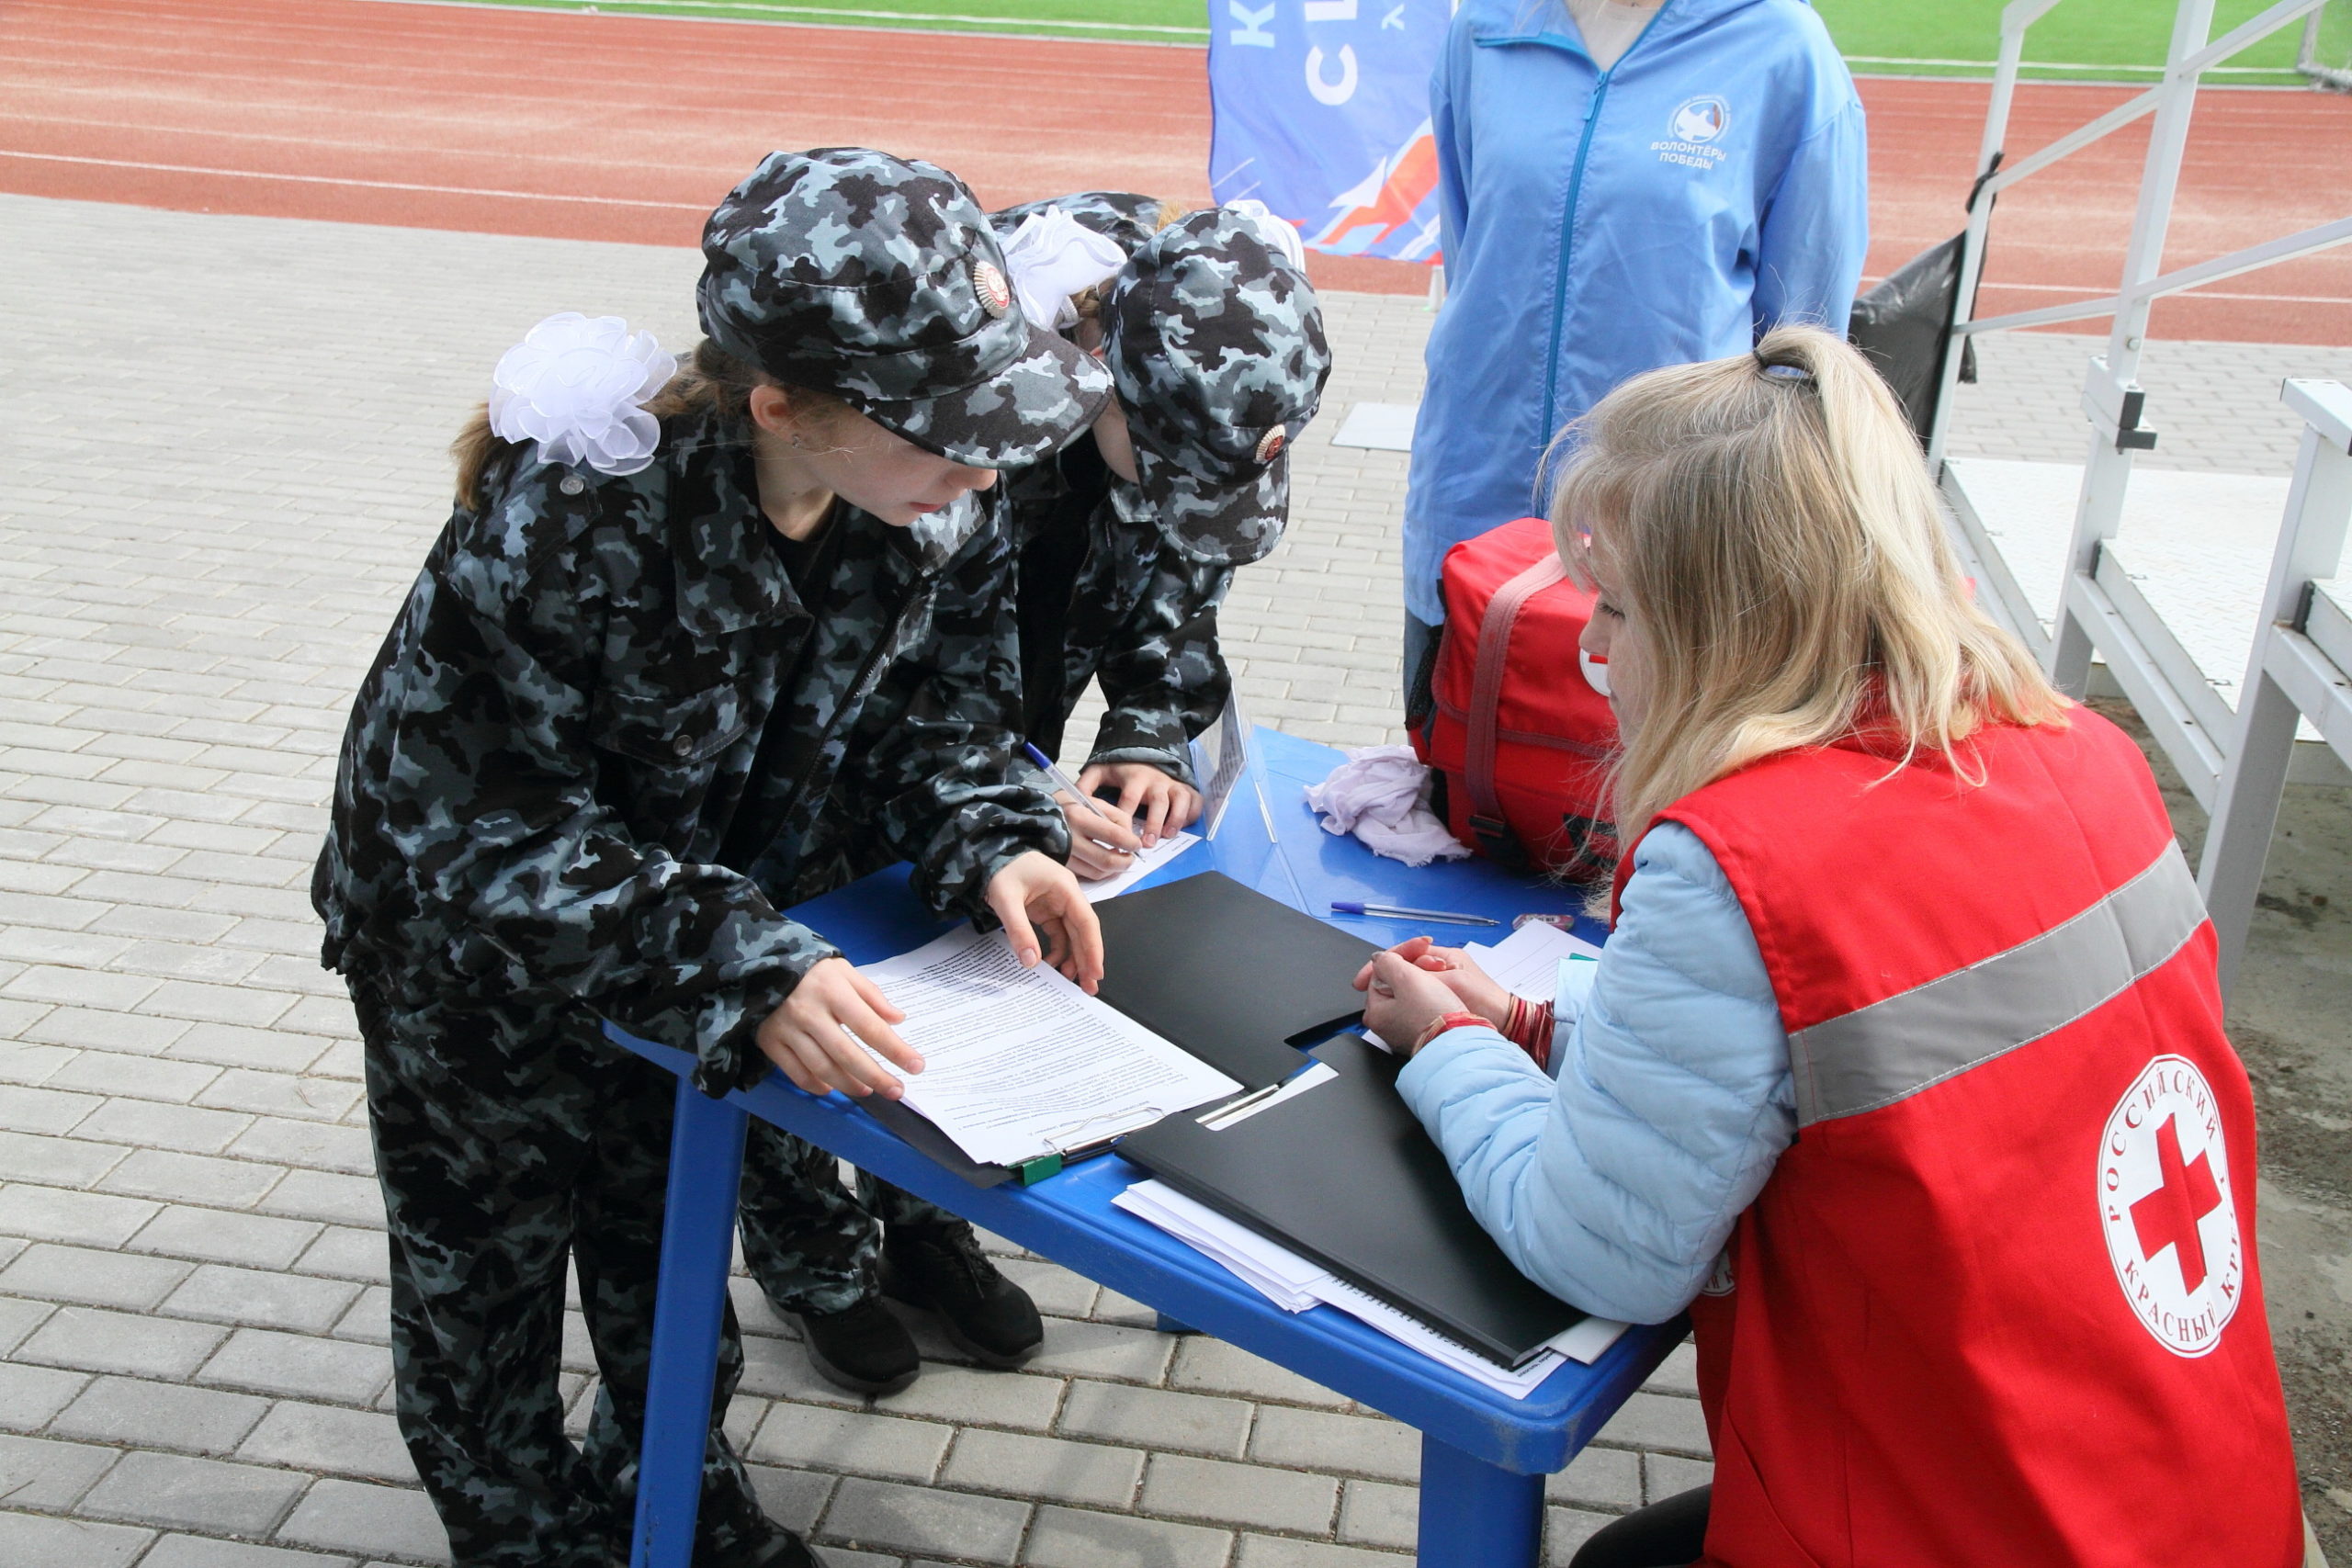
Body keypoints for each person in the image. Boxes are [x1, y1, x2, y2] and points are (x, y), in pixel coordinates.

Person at [1358, 327, 2304, 1567]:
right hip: (2195, 1502)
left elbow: (1598, 1242)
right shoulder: (2088, 757)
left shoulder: (1743, 856)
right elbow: (1883, 1047)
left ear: (1721, 630)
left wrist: (1448, 1043)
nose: (1595, 651)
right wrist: (1554, 1025)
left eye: (1623, 610)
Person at [313, 147, 1111, 1568]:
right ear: (783, 406)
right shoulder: (580, 510)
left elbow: (932, 718)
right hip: (472, 970)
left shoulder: (917, 509)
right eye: (943, 426)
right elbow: (482, 822)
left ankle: (670, 1485)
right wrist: (736, 955)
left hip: (694, 961)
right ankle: (514, 1524)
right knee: (484, 1283)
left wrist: (990, 835)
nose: (983, 461)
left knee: (662, 1249)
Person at [1401, 0, 1869, 726]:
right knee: (1454, 795)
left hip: (1665, 528)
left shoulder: (1781, 48)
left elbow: (1803, 351)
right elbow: (1473, 257)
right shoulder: (1487, 28)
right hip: (1473, 493)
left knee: (1637, 819)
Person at [998, 197, 1332, 870]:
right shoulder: (978, 427)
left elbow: (1176, 600)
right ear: (1102, 380)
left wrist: (1144, 741)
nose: (1179, 503)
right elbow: (896, 681)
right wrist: (995, 804)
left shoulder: (1207, 362)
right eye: (1171, 478)